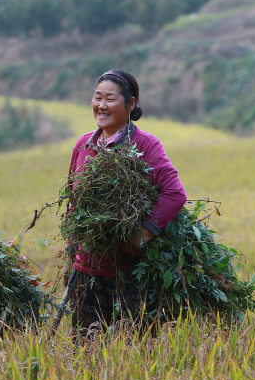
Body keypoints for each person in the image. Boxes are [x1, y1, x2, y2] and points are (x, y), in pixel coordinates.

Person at [65, 69, 187, 337]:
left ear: (131, 104)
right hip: (85, 268)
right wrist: (71, 250)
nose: (101, 105)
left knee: (133, 351)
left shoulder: (145, 145)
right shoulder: (84, 144)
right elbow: (73, 202)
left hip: (128, 273)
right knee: (85, 351)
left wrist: (140, 235)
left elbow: (174, 193)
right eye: (97, 97)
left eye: (110, 99)